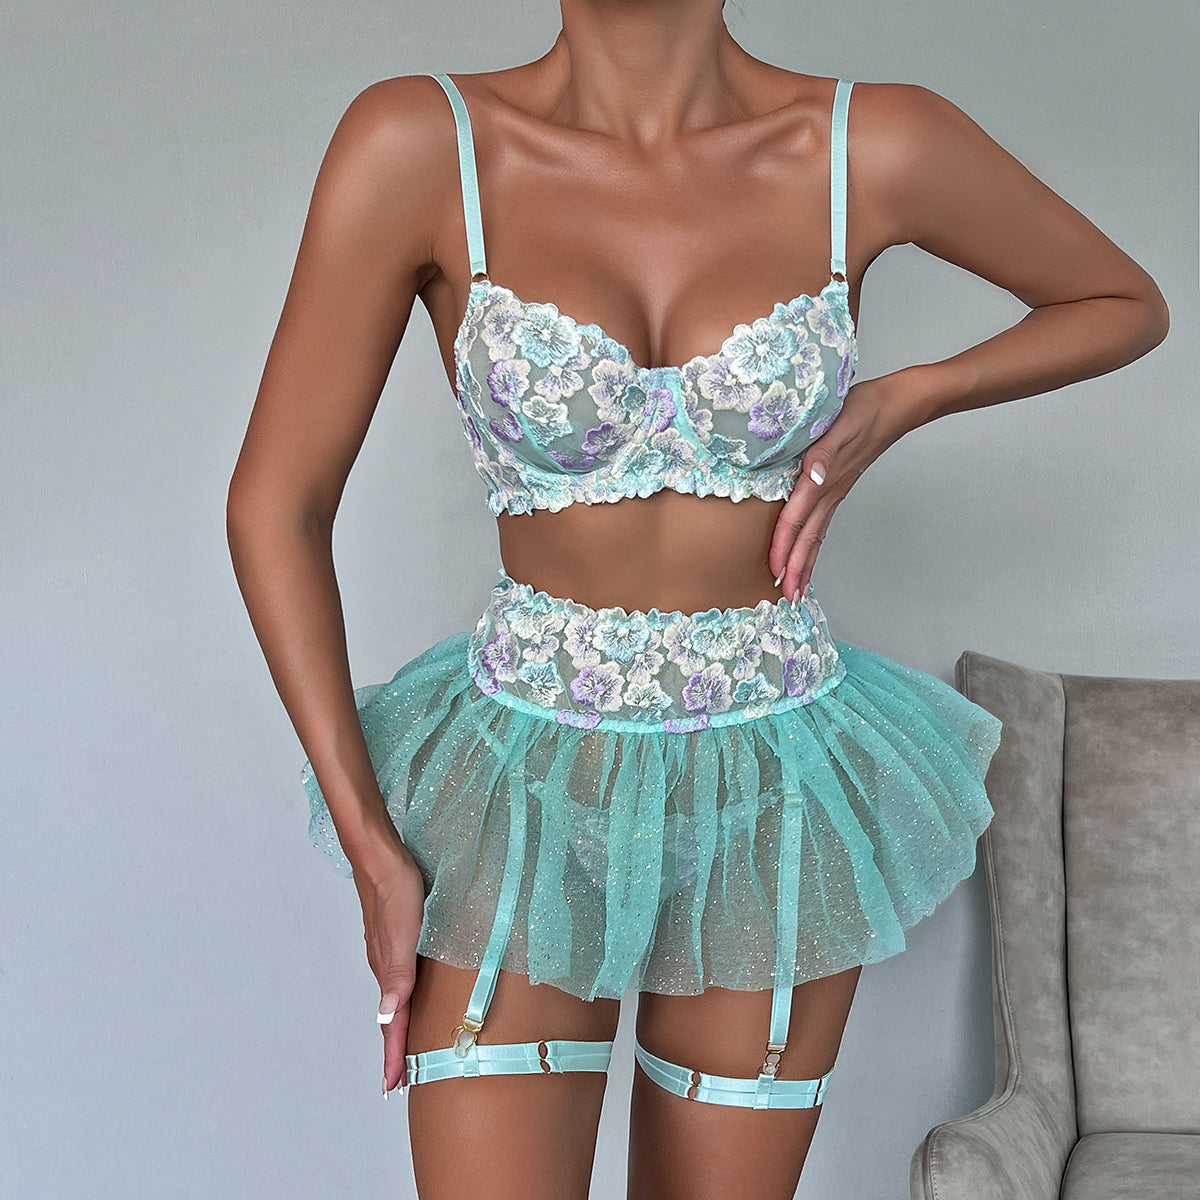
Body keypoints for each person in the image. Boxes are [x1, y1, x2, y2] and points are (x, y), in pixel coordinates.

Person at [225, 2, 1169, 1197]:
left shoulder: (871, 142)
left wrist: (909, 395)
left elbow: (1122, 302)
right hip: (520, 781)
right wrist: (371, 845)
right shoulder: (422, 142)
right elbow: (274, 509)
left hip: (774, 776)